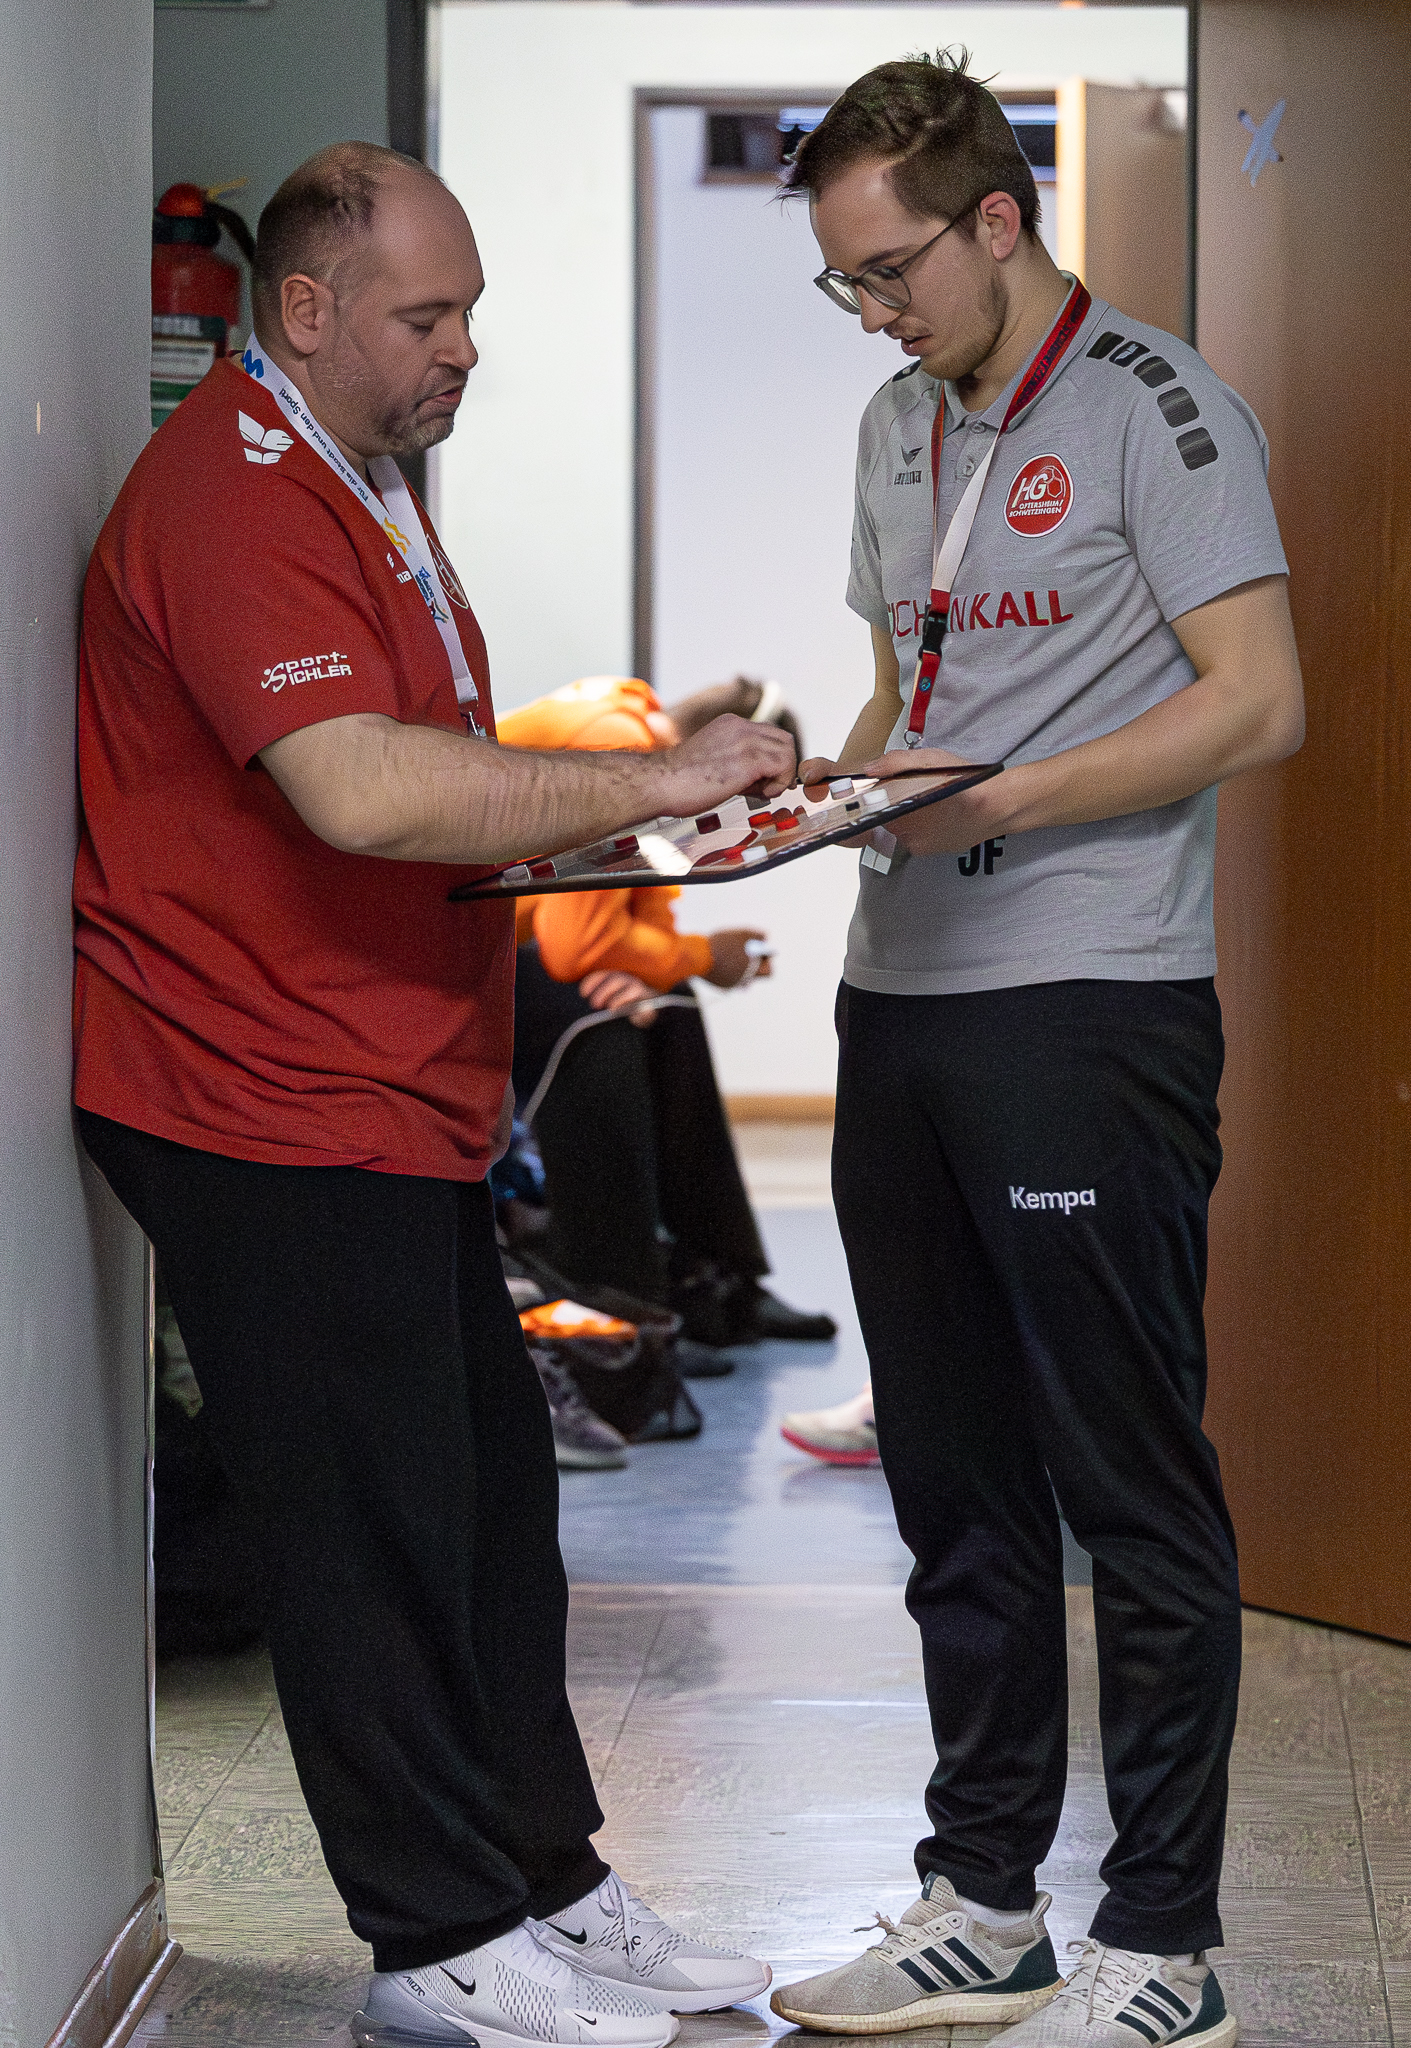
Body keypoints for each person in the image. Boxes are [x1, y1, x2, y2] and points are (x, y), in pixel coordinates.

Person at [73, 142, 791, 2048]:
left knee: (481, 1513)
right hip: (255, 1089)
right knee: (368, 1529)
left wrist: (656, 817)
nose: (463, 345)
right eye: (427, 314)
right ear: (307, 308)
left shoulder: (360, 480)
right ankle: (438, 1936)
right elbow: (363, 789)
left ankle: (549, 1881)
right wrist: (653, 782)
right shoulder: (231, 493)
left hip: (380, 1086)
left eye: (469, 309)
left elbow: (432, 771)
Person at [767, 53, 1301, 2048]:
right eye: (842, 282)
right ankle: (982, 1903)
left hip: (1089, 1000)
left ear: (998, 220)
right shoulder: (895, 420)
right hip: (899, 999)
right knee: (952, 1475)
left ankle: (1164, 1947)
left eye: (890, 270)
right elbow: (908, 691)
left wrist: (1003, 799)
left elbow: (1256, 699)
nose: (871, 313)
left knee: (1125, 1480)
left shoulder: (1160, 406)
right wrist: (804, 791)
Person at [499, 676, 837, 1347]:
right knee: (599, 1017)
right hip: (416, 959)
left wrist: (664, 968)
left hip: (493, 945)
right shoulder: (617, 743)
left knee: (666, 1001)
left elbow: (637, 913)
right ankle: (620, 1301)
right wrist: (704, 956)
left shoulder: (640, 745)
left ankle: (713, 1277)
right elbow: (578, 944)